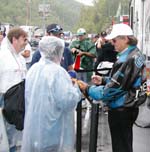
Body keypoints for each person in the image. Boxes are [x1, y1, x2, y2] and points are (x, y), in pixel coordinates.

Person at [78, 23, 147, 152]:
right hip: (132, 105)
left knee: (120, 146)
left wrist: (87, 89)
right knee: (126, 144)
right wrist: (104, 80)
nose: (112, 43)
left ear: (125, 39)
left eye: (114, 40)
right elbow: (125, 81)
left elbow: (110, 92)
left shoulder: (126, 59)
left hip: (121, 109)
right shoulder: (137, 53)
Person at [21, 36, 81, 152]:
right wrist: (75, 88)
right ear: (59, 51)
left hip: (34, 126)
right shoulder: (57, 72)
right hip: (52, 127)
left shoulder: (34, 69)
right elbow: (67, 101)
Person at [0, 27, 27, 152]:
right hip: (5, 99)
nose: (26, 42)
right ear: (14, 39)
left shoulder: (20, 58)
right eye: (23, 39)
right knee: (4, 136)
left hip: (18, 101)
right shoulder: (2, 56)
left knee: (14, 135)